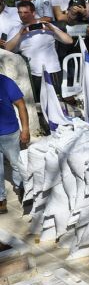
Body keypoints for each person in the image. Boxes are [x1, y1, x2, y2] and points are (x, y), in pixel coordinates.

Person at [0, 74, 30, 214]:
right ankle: (1, 200)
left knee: (17, 164)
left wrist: (25, 130)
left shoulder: (5, 82)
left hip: (9, 133)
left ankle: (23, 190)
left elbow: (21, 105)